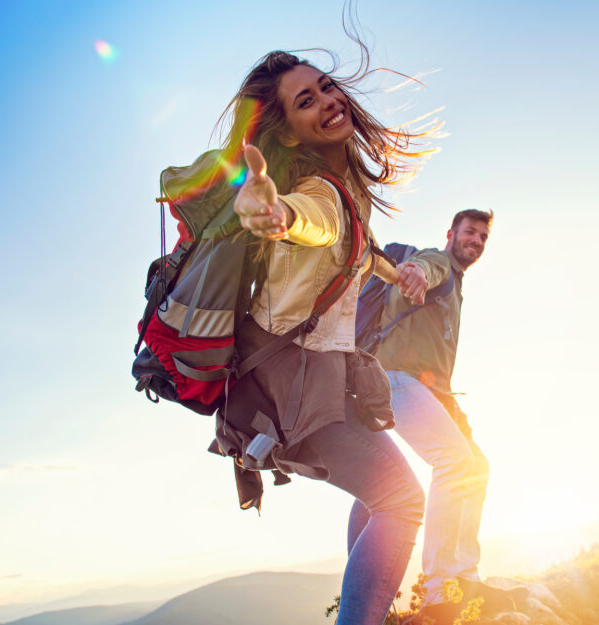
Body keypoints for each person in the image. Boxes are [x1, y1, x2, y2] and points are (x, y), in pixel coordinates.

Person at [223, 50, 432, 625]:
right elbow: (306, 220)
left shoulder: (346, 193)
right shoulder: (319, 194)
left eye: (326, 87)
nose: (328, 101)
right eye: (305, 102)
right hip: (295, 388)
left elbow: (359, 248)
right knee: (402, 499)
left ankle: (367, 610)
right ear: (287, 133)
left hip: (316, 380)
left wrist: (400, 272)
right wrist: (272, 212)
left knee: (383, 495)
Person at [348, 210, 514, 623]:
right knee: (454, 462)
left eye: (482, 237)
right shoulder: (439, 264)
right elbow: (428, 264)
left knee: (476, 466)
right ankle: (442, 590)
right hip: (395, 379)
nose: (475, 241)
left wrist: (452, 408)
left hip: (426, 389)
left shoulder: (456, 287)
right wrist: (418, 273)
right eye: (469, 233)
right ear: (451, 235)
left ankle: (463, 576)